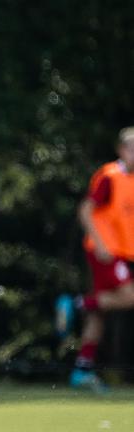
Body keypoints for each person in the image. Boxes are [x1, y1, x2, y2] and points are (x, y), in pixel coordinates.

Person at [57, 127, 134, 391]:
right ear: (121, 150)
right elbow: (85, 210)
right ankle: (75, 304)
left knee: (99, 312)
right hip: (106, 252)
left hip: (122, 252)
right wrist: (100, 244)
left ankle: (81, 371)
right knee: (130, 297)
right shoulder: (109, 176)